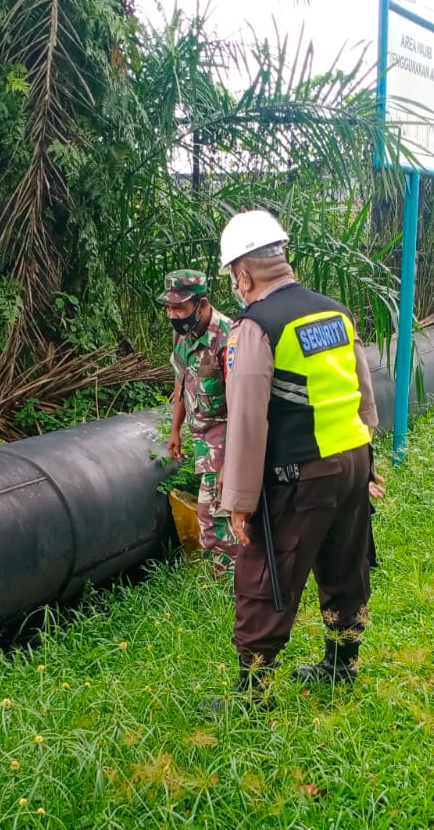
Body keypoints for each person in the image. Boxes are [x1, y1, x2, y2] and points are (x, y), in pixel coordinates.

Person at [216, 210, 385, 706]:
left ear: (244, 274)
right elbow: (363, 393)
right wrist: (368, 462)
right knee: (346, 564)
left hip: (301, 473)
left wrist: (240, 502)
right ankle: (342, 665)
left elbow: (247, 419)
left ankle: (254, 694)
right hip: (351, 458)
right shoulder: (334, 313)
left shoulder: (257, 326)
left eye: (234, 278)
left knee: (266, 572)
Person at [162, 269, 240, 578]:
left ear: (202, 304)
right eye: (169, 308)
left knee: (216, 514)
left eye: (179, 308)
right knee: (213, 513)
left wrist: (229, 462)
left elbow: (241, 405)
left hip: (225, 434)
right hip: (201, 438)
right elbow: (181, 378)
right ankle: (226, 578)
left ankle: (230, 583)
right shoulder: (183, 332)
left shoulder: (229, 338)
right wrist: (175, 429)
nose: (173, 315)